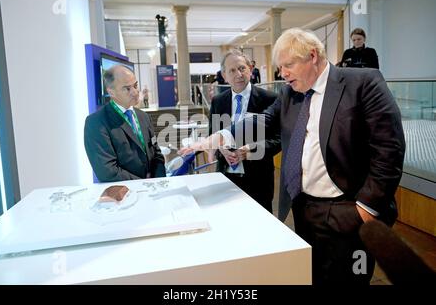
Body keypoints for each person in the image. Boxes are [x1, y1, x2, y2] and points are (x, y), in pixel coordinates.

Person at [180, 28, 405, 285]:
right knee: (313, 276)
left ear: (312, 56)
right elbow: (263, 122)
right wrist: (217, 138)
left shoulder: (363, 82)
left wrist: (365, 209)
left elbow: (389, 150)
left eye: (288, 65)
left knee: (350, 279)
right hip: (305, 209)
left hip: (349, 210)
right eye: (280, 67)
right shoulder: (290, 92)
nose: (282, 73)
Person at [209, 50, 281, 213]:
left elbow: (279, 140)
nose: (238, 74)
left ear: (250, 69)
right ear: (224, 75)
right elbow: (213, 134)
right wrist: (221, 148)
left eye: (242, 68)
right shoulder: (218, 102)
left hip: (258, 181)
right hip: (226, 177)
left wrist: (250, 150)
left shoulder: (269, 99)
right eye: (232, 70)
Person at [84, 65, 166, 182]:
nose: (135, 92)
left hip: (153, 189)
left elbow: (156, 153)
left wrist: (159, 181)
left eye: (135, 86)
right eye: (127, 88)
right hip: (125, 194)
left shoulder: (144, 116)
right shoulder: (96, 123)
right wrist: (143, 184)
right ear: (111, 92)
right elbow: (107, 172)